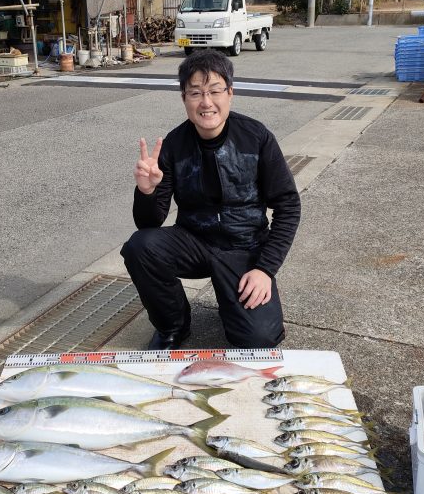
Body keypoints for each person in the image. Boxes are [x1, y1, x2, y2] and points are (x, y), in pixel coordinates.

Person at [121, 48, 301, 351]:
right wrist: (147, 191)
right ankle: (173, 326)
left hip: (245, 246)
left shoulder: (256, 137)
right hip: (195, 241)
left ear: (230, 93)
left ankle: (235, 296)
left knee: (257, 340)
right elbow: (148, 223)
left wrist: (264, 270)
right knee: (141, 247)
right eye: (195, 93)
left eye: (215, 90)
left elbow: (288, 206)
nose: (206, 102)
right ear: (184, 99)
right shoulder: (174, 144)